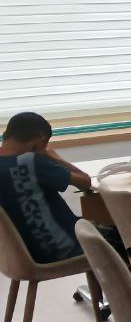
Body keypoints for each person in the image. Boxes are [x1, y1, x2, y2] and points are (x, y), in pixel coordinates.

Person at [0, 111, 92, 263]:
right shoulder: (30, 162)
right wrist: (55, 157)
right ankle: (128, 286)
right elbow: (85, 181)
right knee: (128, 235)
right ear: (39, 142)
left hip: (18, 257)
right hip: (63, 248)